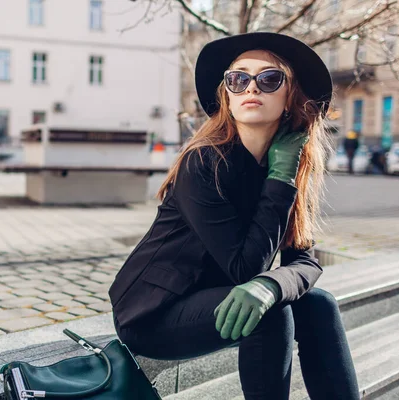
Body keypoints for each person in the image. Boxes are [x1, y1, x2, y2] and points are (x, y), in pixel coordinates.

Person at [108, 32, 360, 399]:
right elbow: (244, 271)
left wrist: (272, 284)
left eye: (269, 78)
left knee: (318, 304)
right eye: (238, 79)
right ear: (227, 93)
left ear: (290, 96)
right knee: (270, 313)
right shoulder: (203, 162)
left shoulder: (289, 166)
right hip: (154, 313)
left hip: (217, 297)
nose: (250, 88)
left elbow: (306, 261)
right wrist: (280, 180)